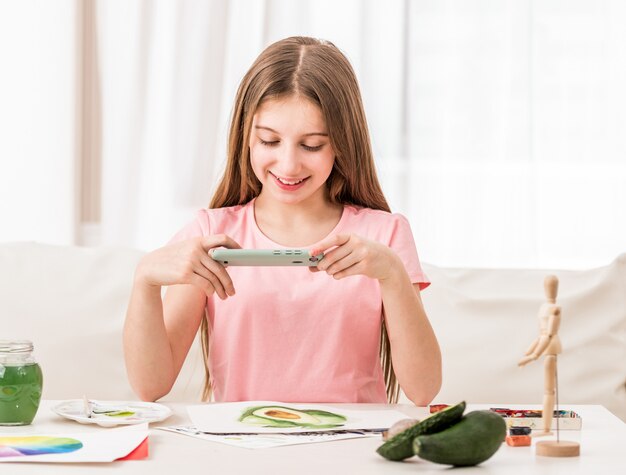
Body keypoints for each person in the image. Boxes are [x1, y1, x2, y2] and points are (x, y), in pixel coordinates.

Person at [123, 36, 442, 405]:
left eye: (311, 145)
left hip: (352, 452)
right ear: (246, 137)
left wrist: (392, 274)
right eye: (270, 141)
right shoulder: (211, 234)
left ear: (341, 142)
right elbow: (150, 386)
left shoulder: (384, 233)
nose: (288, 165)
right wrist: (144, 279)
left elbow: (424, 390)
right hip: (242, 448)